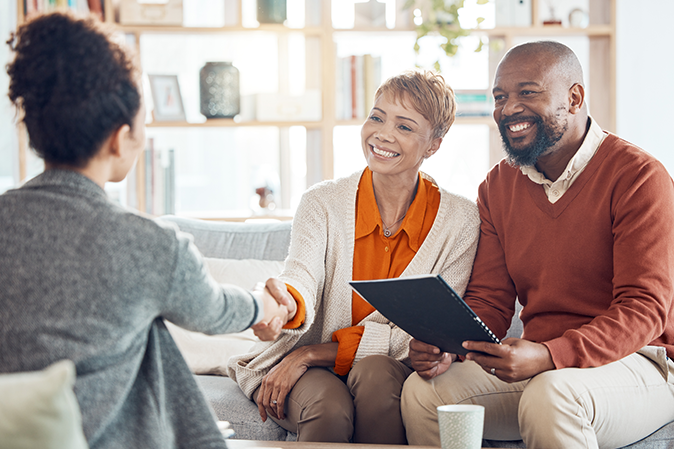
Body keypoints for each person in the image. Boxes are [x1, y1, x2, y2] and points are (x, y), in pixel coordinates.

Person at [0, 12, 293, 449]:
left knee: (146, 325)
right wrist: (263, 304)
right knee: (151, 330)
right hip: (97, 438)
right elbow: (213, 310)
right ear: (120, 139)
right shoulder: (149, 245)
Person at [400, 40, 674, 449]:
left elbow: (644, 310)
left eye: (528, 92)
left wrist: (549, 356)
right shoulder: (497, 186)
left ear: (574, 98)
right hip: (543, 365)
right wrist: (448, 347)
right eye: (500, 97)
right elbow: (491, 300)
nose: (508, 109)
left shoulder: (639, 177)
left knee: (552, 396)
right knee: (425, 394)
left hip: (641, 363)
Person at [227, 69, 480, 444]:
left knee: (377, 377)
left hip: (387, 368)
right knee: (328, 408)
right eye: (377, 117)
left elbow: (428, 329)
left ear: (434, 145)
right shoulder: (322, 202)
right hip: (308, 364)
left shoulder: (460, 220)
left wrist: (315, 353)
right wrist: (282, 309)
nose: (382, 134)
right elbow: (301, 278)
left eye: (405, 127)